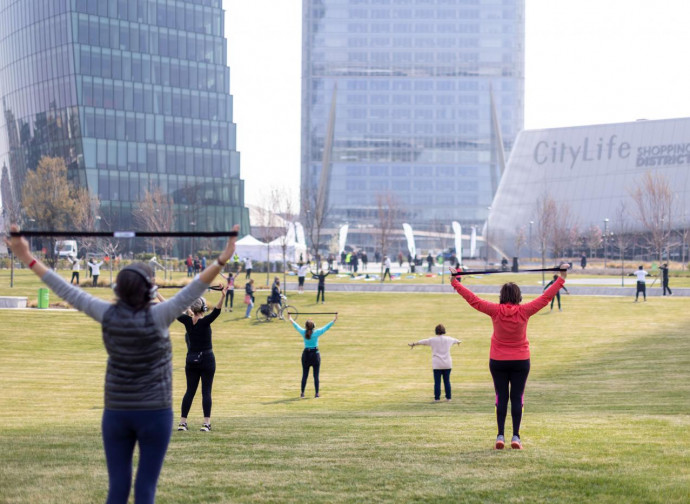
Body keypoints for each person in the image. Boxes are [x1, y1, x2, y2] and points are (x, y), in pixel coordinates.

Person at [4, 223, 239, 504]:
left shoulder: (108, 313)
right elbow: (197, 287)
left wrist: (27, 257)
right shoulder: (161, 314)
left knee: (117, 489)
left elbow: (67, 291)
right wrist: (223, 257)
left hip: (117, 413)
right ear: (148, 292)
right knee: (145, 491)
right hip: (155, 413)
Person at [449, 263, 569, 450]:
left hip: (498, 360)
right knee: (517, 397)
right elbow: (546, 297)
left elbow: (473, 299)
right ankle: (516, 437)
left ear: (502, 297)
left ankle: (500, 435)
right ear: (518, 297)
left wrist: (455, 282)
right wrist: (561, 277)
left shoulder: (495, 310)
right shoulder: (525, 311)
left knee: (501, 397)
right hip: (521, 360)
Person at [170, 286, 227, 433]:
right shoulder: (205, 322)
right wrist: (223, 295)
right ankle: (206, 423)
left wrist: (157, 293)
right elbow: (217, 310)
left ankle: (183, 422)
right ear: (203, 307)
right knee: (206, 391)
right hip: (207, 359)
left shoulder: (187, 321)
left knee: (189, 391)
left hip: (191, 360)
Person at [288, 313, 337, 398]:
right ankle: (317, 393)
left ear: (306, 327)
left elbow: (296, 326)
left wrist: (290, 318)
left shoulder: (303, 332)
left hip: (306, 355)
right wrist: (334, 320)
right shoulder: (316, 333)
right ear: (313, 326)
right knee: (316, 376)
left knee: (304, 375)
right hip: (315, 355)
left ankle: (302, 393)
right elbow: (326, 328)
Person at [409, 324, 461, 401]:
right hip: (447, 363)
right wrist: (458, 343)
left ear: (436, 331)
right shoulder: (449, 339)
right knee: (447, 381)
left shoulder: (432, 340)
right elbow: (458, 341)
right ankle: (448, 398)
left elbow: (422, 342)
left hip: (437, 364)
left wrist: (414, 344)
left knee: (437, 382)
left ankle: (437, 398)